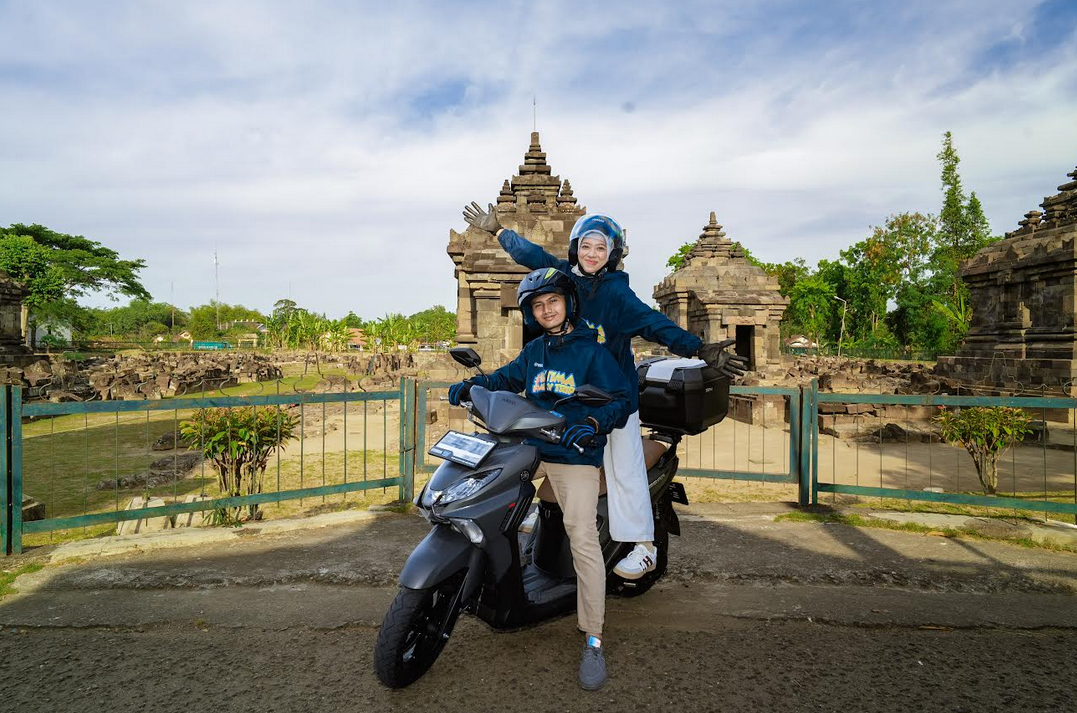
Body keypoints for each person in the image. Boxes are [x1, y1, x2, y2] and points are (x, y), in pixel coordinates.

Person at [463, 202, 748, 580]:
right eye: (586, 246)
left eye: (601, 248)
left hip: (613, 395)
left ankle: (644, 547)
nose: (592, 254)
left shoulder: (617, 295)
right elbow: (533, 256)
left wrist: (699, 348)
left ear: (611, 254)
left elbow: (655, 323)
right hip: (569, 392)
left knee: (623, 467)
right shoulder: (565, 278)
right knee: (535, 449)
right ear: (576, 248)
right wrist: (499, 231)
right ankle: (546, 513)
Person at [446, 267, 629, 691]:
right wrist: (472, 386)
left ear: (568, 304)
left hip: (573, 452)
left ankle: (594, 637)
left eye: (553, 301)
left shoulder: (593, 353)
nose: (547, 310)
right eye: (539, 305)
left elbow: (619, 400)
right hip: (528, 444)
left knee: (582, 535)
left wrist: (592, 423)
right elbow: (504, 378)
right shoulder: (535, 351)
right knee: (482, 498)